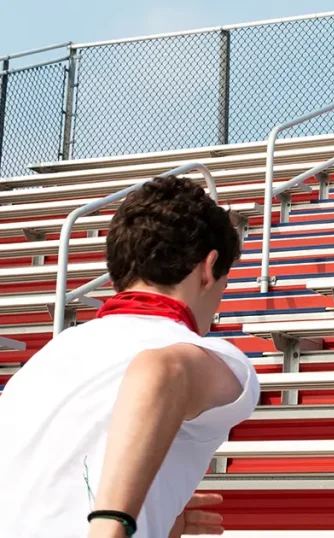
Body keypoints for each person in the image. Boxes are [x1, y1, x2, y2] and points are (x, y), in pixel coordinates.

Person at [0, 176, 259, 538]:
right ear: (208, 268)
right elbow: (162, 372)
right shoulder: (211, 357)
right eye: (224, 284)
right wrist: (113, 524)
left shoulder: (45, 359)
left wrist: (159, 518)